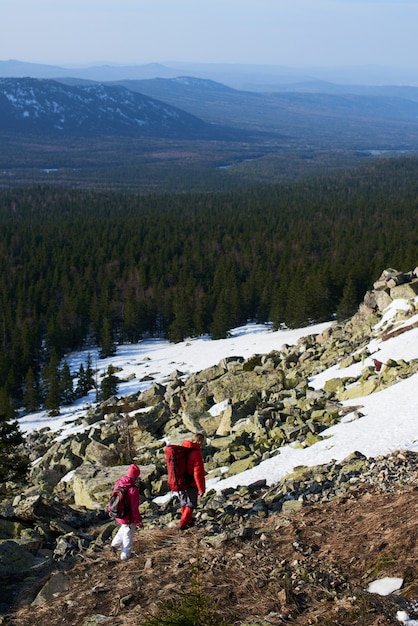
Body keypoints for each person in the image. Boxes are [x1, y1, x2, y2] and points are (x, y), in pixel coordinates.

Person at [110, 463, 143, 560]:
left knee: (124, 528)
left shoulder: (119, 482)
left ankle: (114, 545)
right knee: (128, 533)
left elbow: (112, 497)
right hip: (127, 516)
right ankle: (125, 555)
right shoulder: (133, 490)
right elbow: (134, 508)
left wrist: (110, 510)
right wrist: (138, 520)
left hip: (117, 513)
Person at [179, 433, 206, 530]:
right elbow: (198, 474)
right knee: (191, 503)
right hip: (191, 483)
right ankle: (183, 524)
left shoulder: (183, 450)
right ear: (199, 441)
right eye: (202, 442)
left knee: (183, 501)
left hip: (181, 482)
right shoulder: (196, 454)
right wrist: (201, 489)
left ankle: (187, 520)